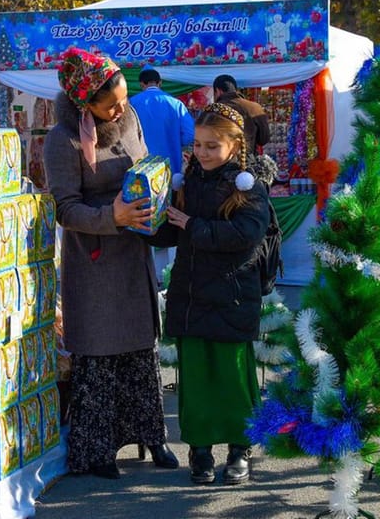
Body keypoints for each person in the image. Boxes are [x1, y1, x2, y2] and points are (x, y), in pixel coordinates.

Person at [43, 47, 178, 479]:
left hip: (135, 252)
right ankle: (98, 450)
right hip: (95, 261)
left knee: (141, 350)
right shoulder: (62, 139)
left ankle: (152, 437)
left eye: (122, 97)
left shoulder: (131, 116)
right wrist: (111, 217)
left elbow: (146, 164)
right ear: (85, 104)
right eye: (109, 104)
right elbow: (64, 208)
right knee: (100, 356)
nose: (119, 108)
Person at [151, 102, 272, 485]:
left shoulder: (249, 187)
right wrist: (150, 219)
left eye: (211, 146)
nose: (202, 153)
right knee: (197, 382)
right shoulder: (186, 182)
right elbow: (172, 232)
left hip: (232, 295)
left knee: (234, 379)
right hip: (190, 296)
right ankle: (199, 452)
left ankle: (240, 449)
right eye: (198, 145)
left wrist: (192, 225)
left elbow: (245, 236)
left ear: (235, 147)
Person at [129, 67, 194, 176]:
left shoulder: (132, 103)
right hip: (171, 166)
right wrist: (173, 141)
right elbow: (190, 135)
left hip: (141, 167)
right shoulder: (176, 104)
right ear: (160, 83)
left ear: (141, 84)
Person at [212, 74, 270, 155]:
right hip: (248, 160)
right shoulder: (254, 108)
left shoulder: (212, 110)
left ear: (218, 91)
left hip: (219, 162)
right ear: (236, 89)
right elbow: (263, 139)